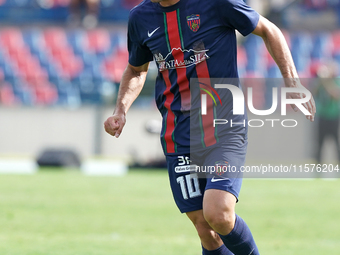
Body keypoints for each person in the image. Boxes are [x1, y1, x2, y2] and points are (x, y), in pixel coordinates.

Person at [104, 0, 316, 254]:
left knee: (219, 214)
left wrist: (292, 83)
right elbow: (136, 70)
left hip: (224, 125)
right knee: (205, 229)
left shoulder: (216, 3)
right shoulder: (140, 17)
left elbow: (269, 30)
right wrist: (121, 110)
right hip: (178, 133)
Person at [315, 63, 340, 165]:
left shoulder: (336, 82)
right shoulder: (320, 83)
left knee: (336, 143)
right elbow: (314, 92)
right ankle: (318, 165)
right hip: (322, 116)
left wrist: (326, 82)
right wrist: (321, 81)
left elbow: (335, 94)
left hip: (333, 117)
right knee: (319, 143)